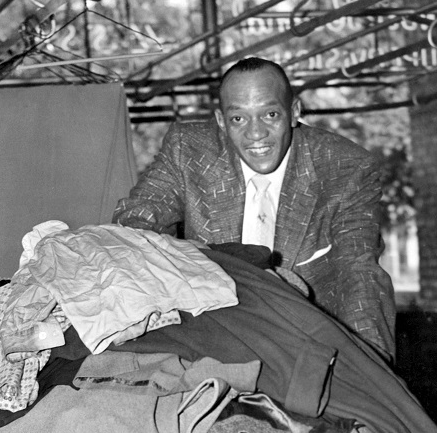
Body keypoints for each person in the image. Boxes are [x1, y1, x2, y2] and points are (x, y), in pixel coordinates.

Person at [113, 57, 396, 361]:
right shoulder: (188, 149)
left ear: (294, 112)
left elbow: (359, 275)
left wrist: (374, 373)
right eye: (239, 119)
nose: (255, 134)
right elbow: (137, 221)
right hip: (212, 338)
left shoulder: (346, 168)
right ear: (221, 121)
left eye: (270, 114)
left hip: (303, 347)